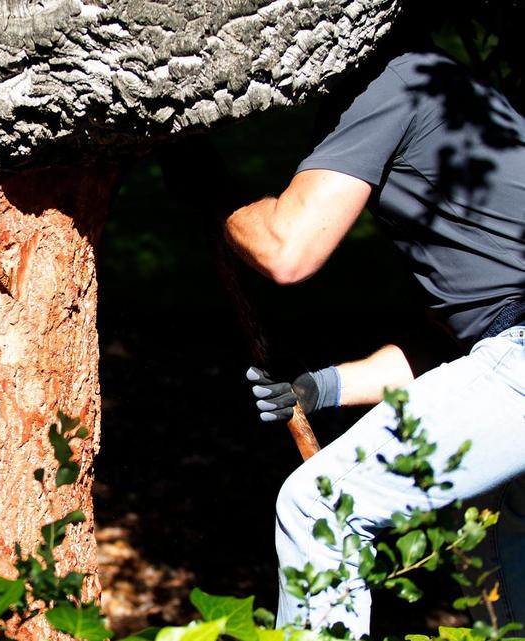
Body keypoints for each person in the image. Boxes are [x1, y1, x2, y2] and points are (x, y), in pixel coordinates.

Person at [225, 48, 525, 634]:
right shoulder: (466, 108)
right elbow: (474, 355)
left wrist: (226, 204)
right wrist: (318, 389)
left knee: (321, 510)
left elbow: (288, 248)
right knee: (497, 548)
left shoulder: (394, 84)